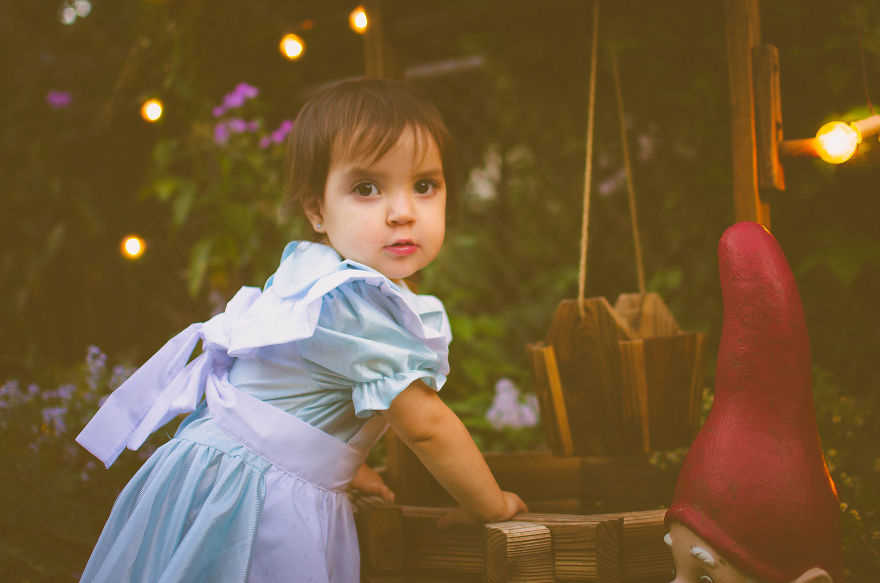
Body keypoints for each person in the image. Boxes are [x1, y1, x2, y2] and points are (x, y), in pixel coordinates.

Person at [76, 78, 527, 583]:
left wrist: (343, 462)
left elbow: (280, 393)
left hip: (217, 472)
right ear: (316, 210)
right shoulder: (351, 303)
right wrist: (490, 503)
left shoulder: (312, 279)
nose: (403, 212)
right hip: (252, 498)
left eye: (424, 185)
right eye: (366, 188)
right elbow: (426, 425)